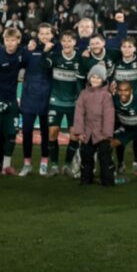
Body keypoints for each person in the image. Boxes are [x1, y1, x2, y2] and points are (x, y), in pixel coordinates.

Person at [0, 27, 26, 179]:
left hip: (12, 101)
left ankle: (6, 166)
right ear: (4, 41)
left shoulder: (22, 53)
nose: (10, 43)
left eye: (13, 40)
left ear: (18, 40)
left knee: (11, 134)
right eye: (7, 40)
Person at [18, 23, 54, 177]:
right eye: (42, 33)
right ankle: (27, 164)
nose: (45, 36)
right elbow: (19, 63)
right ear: (38, 35)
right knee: (26, 132)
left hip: (47, 98)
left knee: (46, 133)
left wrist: (47, 52)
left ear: (52, 35)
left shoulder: (56, 50)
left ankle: (44, 162)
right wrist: (26, 50)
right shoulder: (30, 49)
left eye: (48, 33)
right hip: (29, 98)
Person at [71, 64, 117, 186]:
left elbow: (109, 115)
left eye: (98, 77)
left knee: (105, 158)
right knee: (86, 157)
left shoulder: (106, 95)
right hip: (87, 132)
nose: (95, 80)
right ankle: (86, 179)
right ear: (89, 78)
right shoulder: (83, 94)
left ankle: (107, 181)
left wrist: (107, 134)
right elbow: (79, 113)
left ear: (103, 79)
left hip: (102, 133)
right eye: (93, 77)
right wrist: (79, 131)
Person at [46, 30, 82, 177]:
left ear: (75, 42)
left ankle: (67, 165)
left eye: (70, 40)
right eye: (64, 40)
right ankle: (54, 165)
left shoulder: (80, 59)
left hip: (74, 103)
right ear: (60, 42)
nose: (67, 43)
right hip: (55, 101)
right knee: (53, 132)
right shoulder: (55, 57)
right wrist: (45, 51)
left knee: (74, 134)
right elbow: (43, 65)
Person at [111, 37, 137, 174]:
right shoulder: (116, 61)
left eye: (130, 46)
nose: (127, 49)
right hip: (120, 105)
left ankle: (136, 162)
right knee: (120, 134)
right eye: (124, 46)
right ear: (120, 48)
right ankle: (120, 163)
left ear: (135, 49)